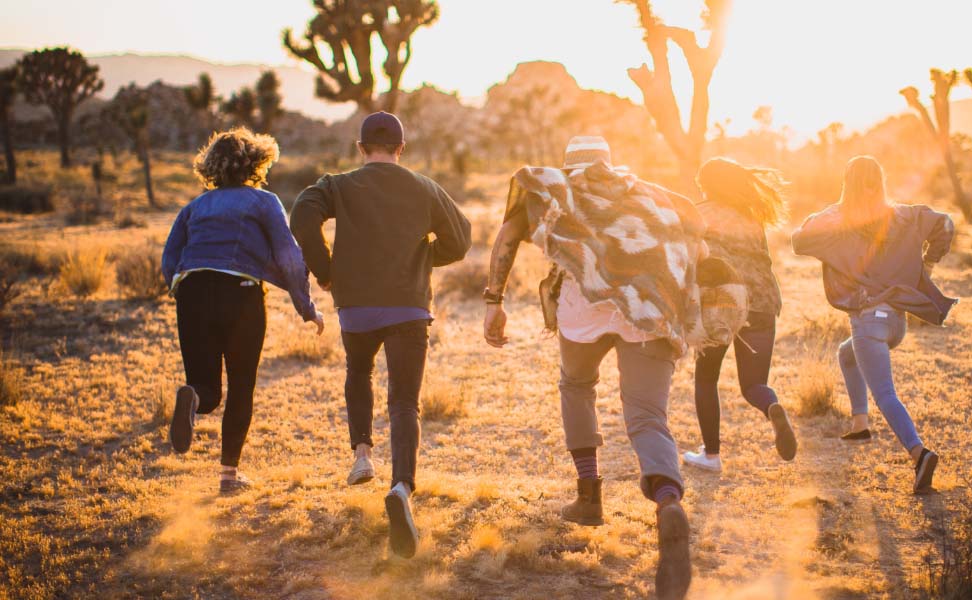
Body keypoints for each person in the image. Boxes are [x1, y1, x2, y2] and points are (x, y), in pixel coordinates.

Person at [483, 136, 709, 600]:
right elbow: (696, 239)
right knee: (647, 417)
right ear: (610, 163)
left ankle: (588, 497)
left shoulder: (557, 190)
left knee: (577, 386)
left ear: (568, 166)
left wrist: (494, 300)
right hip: (646, 310)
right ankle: (668, 501)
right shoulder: (648, 195)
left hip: (581, 312)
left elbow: (507, 235)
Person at [290, 111, 471, 558]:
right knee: (405, 400)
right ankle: (402, 487)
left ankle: (362, 456)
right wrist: (423, 257)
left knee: (359, 372)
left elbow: (302, 215)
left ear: (361, 147)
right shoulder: (424, 187)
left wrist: (326, 270)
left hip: (356, 307)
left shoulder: (337, 185)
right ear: (401, 148)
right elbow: (461, 238)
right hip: (408, 306)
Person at [162, 127, 323, 495]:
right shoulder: (264, 202)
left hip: (193, 292)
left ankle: (193, 398)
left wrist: (182, 290)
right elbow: (289, 256)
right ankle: (229, 476)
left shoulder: (194, 207)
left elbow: (170, 258)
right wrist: (307, 307)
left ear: (211, 166)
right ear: (255, 163)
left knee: (206, 388)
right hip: (241, 294)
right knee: (240, 386)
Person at [792, 155, 956, 493]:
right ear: (880, 182)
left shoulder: (839, 220)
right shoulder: (902, 214)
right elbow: (946, 224)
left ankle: (919, 454)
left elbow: (799, 238)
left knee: (885, 393)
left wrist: (833, 209)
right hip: (896, 323)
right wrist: (928, 263)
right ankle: (860, 423)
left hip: (868, 321)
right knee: (846, 354)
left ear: (847, 185)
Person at [682, 158, 797, 472]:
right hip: (763, 301)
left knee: (707, 378)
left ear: (707, 185)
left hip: (722, 303)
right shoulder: (751, 218)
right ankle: (771, 406)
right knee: (754, 385)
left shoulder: (699, 214)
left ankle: (711, 456)